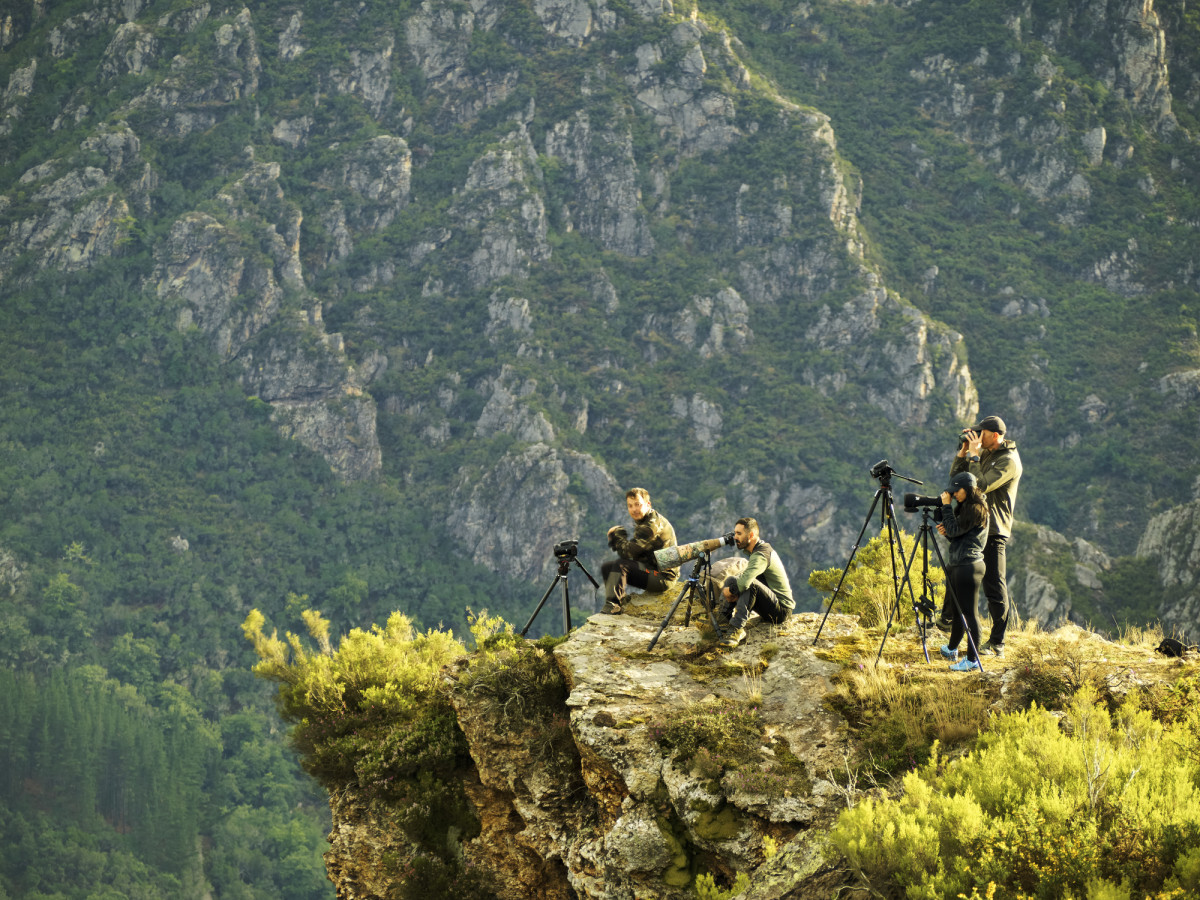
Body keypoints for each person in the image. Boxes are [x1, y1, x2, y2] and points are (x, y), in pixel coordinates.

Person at [939, 414, 1023, 658]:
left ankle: (997, 642)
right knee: (956, 569)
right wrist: (964, 452)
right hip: (974, 525)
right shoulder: (982, 452)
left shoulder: (1009, 461)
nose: (977, 437)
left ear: (995, 436)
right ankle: (947, 620)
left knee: (994, 586)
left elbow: (980, 486)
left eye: (981, 434)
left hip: (994, 529)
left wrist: (975, 456)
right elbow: (957, 481)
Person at [935, 472, 990, 672]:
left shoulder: (976, 509)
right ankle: (952, 649)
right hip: (961, 563)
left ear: (966, 488)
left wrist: (946, 508)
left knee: (970, 614)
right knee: (959, 611)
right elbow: (958, 537)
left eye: (956, 491)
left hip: (969, 566)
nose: (954, 495)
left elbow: (956, 531)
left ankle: (972, 659)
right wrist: (947, 532)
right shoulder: (967, 507)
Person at [716, 517, 794, 648]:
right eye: (735, 533)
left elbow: (745, 582)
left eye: (739, 534)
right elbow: (742, 578)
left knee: (747, 584)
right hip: (770, 603)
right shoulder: (757, 551)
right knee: (731, 579)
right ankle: (723, 621)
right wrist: (731, 586)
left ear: (751, 535)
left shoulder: (761, 554)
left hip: (781, 610)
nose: (735, 537)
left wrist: (730, 591)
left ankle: (737, 629)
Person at [600, 488, 679, 614]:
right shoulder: (646, 520)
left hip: (663, 578)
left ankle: (613, 606)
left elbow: (629, 553)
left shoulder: (650, 526)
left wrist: (617, 536)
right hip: (651, 568)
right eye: (630, 506)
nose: (634, 509)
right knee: (607, 568)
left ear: (648, 504)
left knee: (621, 565)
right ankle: (619, 601)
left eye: (638, 504)